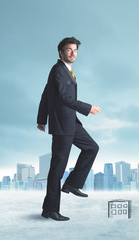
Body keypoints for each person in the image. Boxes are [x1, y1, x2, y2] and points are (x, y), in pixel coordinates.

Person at [37, 37, 100, 221]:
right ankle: (50, 210)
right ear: (60, 52)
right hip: (62, 126)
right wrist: (87, 107)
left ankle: (72, 184)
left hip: (71, 122)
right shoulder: (58, 70)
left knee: (92, 148)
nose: (73, 53)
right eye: (69, 50)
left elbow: (46, 95)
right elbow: (63, 98)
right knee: (57, 168)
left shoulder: (67, 71)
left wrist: (41, 119)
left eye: (75, 50)